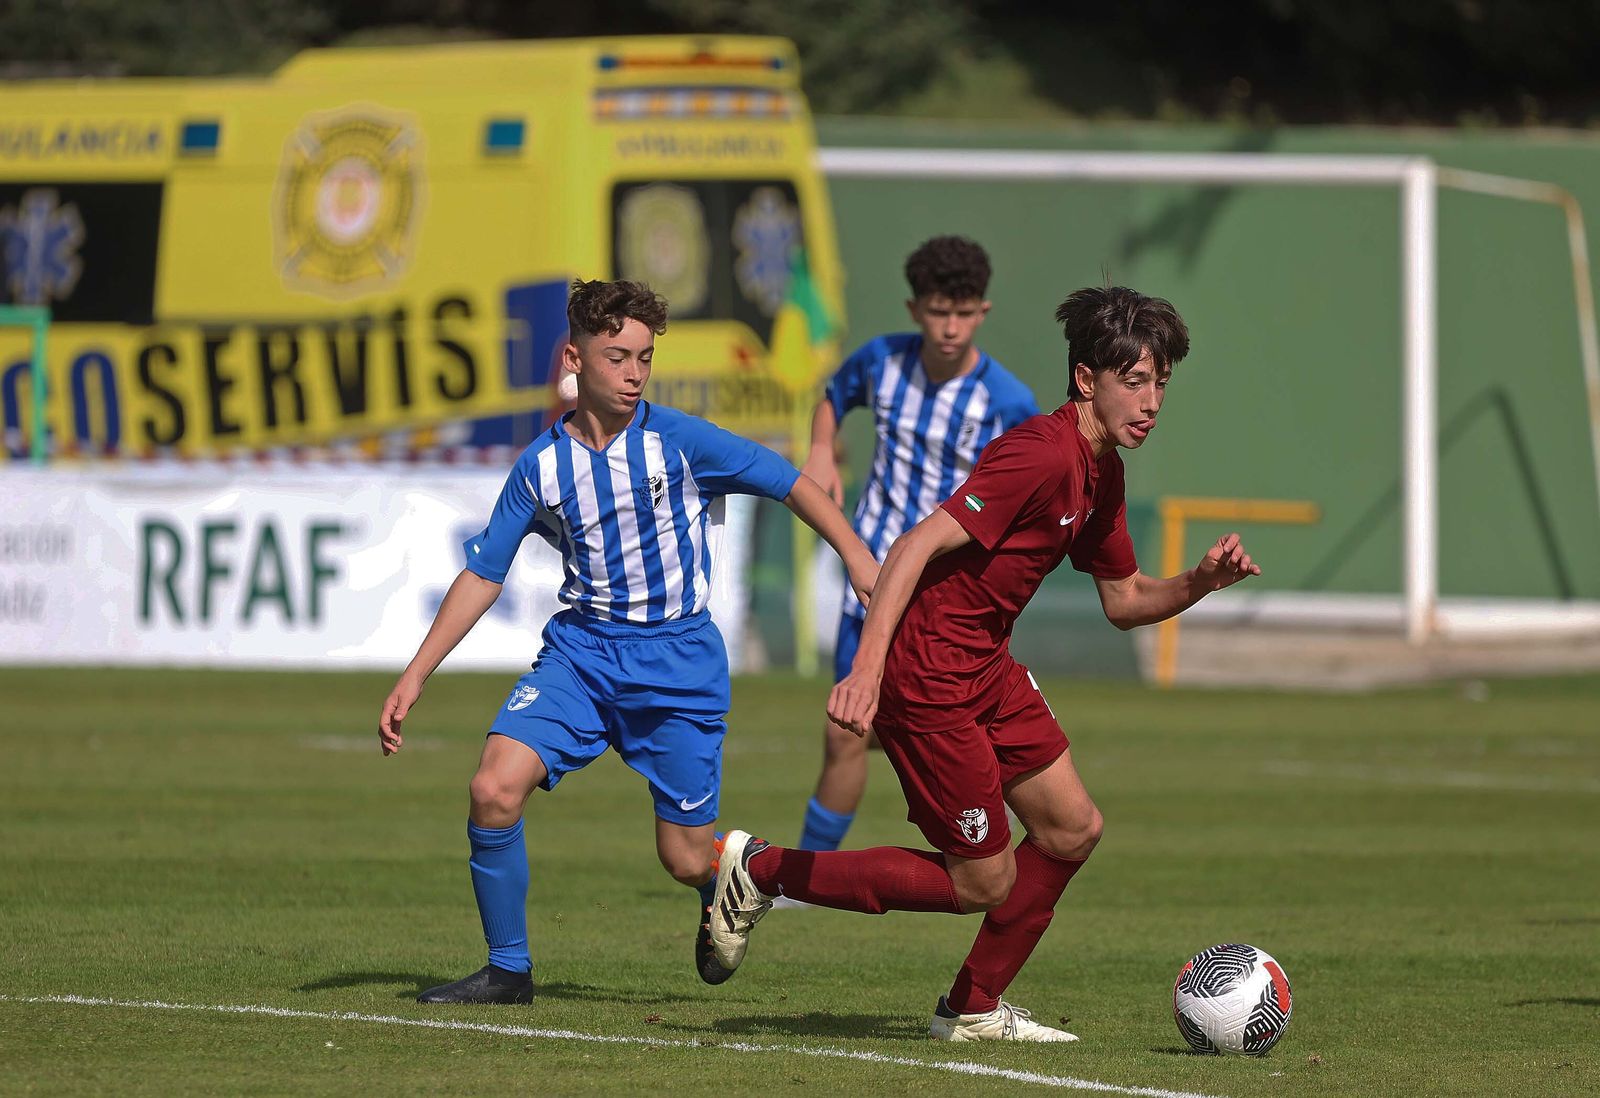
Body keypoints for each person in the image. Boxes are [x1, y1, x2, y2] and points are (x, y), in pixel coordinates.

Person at [707, 285, 1261, 1040]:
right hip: (928, 672)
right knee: (982, 879)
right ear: (1085, 379)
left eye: (1161, 381)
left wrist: (1199, 582)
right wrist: (866, 673)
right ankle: (760, 870)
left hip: (986, 666)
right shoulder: (1040, 452)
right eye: (1134, 380)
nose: (1152, 399)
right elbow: (912, 546)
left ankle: (970, 1010)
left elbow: (1125, 598)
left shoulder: (1104, 472)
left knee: (1072, 829)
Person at [378, 278, 877, 1004]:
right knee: (492, 789)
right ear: (575, 359)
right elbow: (484, 574)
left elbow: (791, 484)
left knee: (681, 857)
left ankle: (727, 883)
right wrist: (415, 674)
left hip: (677, 666)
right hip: (580, 659)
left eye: (645, 357)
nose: (635, 372)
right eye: (618, 357)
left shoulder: (679, 442)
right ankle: (508, 970)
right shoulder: (541, 467)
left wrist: (858, 560)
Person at [793, 235, 1037, 855]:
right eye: (937, 311)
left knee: (944, 729)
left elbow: (1040, 475)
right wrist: (824, 449)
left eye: (962, 312)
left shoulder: (1005, 401)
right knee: (844, 733)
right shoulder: (881, 362)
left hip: (946, 597)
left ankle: (997, 838)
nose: (949, 327)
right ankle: (810, 877)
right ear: (914, 309)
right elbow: (832, 396)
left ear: (982, 312)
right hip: (869, 579)